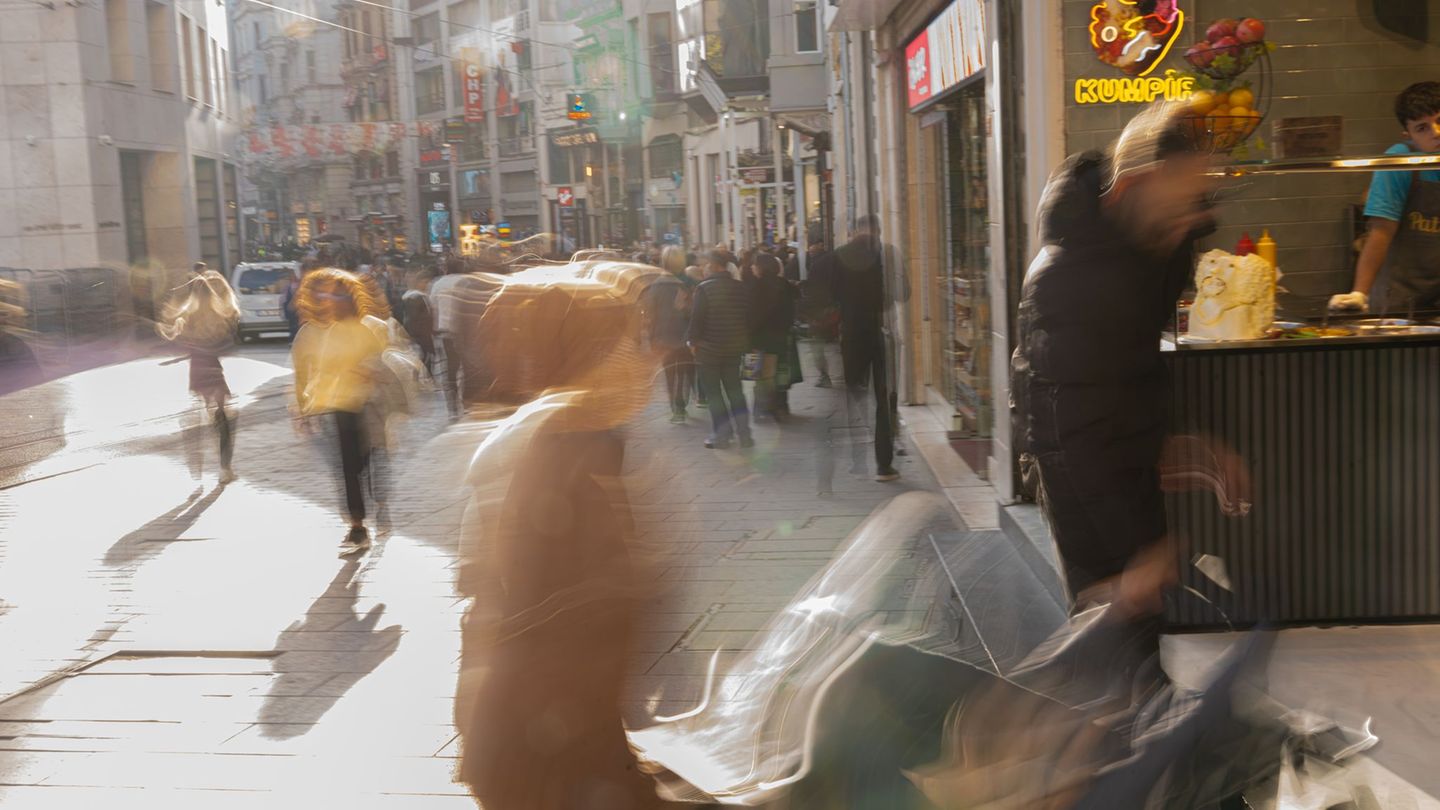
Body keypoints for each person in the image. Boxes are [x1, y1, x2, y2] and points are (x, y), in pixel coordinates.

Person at [1011, 100, 1247, 621]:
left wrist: (1186, 435)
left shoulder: (1156, 246)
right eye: (1181, 197)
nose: (1192, 216)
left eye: (1199, 197)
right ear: (1132, 187)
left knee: (1142, 615)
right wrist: (1136, 554)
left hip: (1119, 443)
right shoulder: (1070, 278)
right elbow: (1069, 424)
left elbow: (1139, 358)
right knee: (1113, 618)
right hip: (1074, 462)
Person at [292, 268, 389, 554]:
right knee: (348, 468)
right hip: (340, 406)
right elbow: (315, 370)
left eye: (337, 296)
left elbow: (382, 361)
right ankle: (358, 527)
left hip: (368, 404)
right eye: (327, 295)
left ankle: (377, 499)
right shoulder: (326, 331)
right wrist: (305, 407)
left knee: (368, 459)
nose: (330, 301)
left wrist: (368, 370)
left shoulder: (367, 329)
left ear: (349, 300)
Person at [1331, 81, 1440, 313]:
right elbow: (1381, 231)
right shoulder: (1399, 162)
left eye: (1439, 121)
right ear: (1408, 135)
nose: (1436, 133)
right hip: (1399, 299)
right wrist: (1360, 293)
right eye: (1423, 128)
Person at [830, 215, 903, 481]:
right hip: (882, 333)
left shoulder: (839, 255)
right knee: (883, 398)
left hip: (851, 334)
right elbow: (903, 292)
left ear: (855, 231)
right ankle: (884, 464)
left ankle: (857, 459)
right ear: (879, 231)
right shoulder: (889, 253)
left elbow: (831, 294)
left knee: (854, 394)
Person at [158, 270, 241, 484]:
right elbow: (228, 344)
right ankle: (225, 469)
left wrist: (169, 331)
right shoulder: (219, 314)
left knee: (203, 414)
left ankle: (197, 465)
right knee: (222, 418)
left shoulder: (187, 315)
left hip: (197, 371)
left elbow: (178, 341)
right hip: (213, 370)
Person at [687, 249, 753, 449]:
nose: (704, 267)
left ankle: (722, 434)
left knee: (714, 393)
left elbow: (697, 319)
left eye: (706, 264)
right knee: (735, 392)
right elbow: (747, 317)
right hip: (733, 349)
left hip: (709, 350)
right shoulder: (741, 288)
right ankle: (745, 435)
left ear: (714, 266)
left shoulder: (704, 288)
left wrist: (692, 341)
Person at [647, 245, 696, 423]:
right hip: (683, 336)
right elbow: (692, 312)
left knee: (669, 374)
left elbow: (650, 314)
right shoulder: (685, 285)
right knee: (683, 371)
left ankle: (675, 409)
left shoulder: (655, 286)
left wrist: (651, 337)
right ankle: (681, 406)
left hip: (662, 337)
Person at [747, 253, 797, 421]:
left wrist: (749, 336)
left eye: (754, 264)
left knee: (761, 374)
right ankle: (781, 406)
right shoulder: (785, 284)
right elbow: (792, 311)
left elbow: (753, 315)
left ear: (761, 267)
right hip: (782, 336)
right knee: (781, 372)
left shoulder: (756, 286)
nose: (752, 267)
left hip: (762, 338)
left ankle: (763, 409)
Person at [800, 235, 836, 388]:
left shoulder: (817, 264)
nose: (810, 250)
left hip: (820, 310)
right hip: (835, 306)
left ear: (820, 244)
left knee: (816, 344)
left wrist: (807, 312)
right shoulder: (833, 260)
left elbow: (815, 289)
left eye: (812, 246)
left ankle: (824, 376)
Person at [401, 270, 436, 378]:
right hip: (420, 338)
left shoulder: (409, 296)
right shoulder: (417, 298)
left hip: (414, 337)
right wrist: (427, 341)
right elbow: (416, 321)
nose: (427, 285)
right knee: (420, 364)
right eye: (426, 282)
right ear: (419, 282)